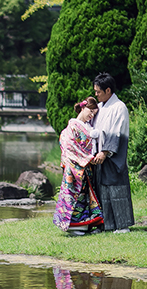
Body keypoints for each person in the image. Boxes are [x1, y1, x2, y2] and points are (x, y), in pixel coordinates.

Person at [91, 73, 134, 233]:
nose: (96, 94)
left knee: (117, 190)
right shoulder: (101, 107)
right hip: (100, 155)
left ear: (108, 90)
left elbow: (116, 132)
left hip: (114, 156)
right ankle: (106, 225)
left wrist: (105, 151)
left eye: (98, 91)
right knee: (102, 191)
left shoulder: (119, 107)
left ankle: (122, 225)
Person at [53, 97, 103, 234]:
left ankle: (85, 224)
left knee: (84, 196)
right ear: (83, 107)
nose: (91, 115)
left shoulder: (88, 127)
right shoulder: (73, 126)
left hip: (85, 166)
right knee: (74, 195)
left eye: (94, 113)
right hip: (75, 167)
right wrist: (87, 158)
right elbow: (68, 146)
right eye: (90, 111)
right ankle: (73, 226)